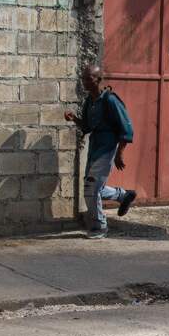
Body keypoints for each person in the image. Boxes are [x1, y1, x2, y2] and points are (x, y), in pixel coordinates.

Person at [64, 65, 137, 239]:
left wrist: (119, 154)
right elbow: (88, 126)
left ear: (98, 79)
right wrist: (74, 119)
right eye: (83, 78)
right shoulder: (90, 101)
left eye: (88, 78)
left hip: (107, 149)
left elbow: (127, 129)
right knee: (94, 188)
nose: (84, 82)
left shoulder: (110, 100)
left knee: (91, 187)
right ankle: (123, 195)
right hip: (94, 149)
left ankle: (99, 226)